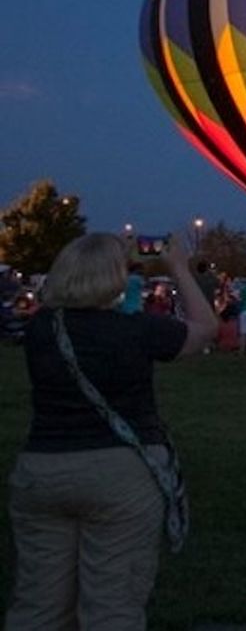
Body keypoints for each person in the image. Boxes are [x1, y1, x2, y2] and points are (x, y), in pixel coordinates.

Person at [6, 231, 215, 628]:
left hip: (42, 470)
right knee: (111, 603)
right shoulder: (136, 330)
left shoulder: (40, 331)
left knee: (38, 603)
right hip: (119, 475)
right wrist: (178, 269)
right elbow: (205, 329)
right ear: (115, 276)